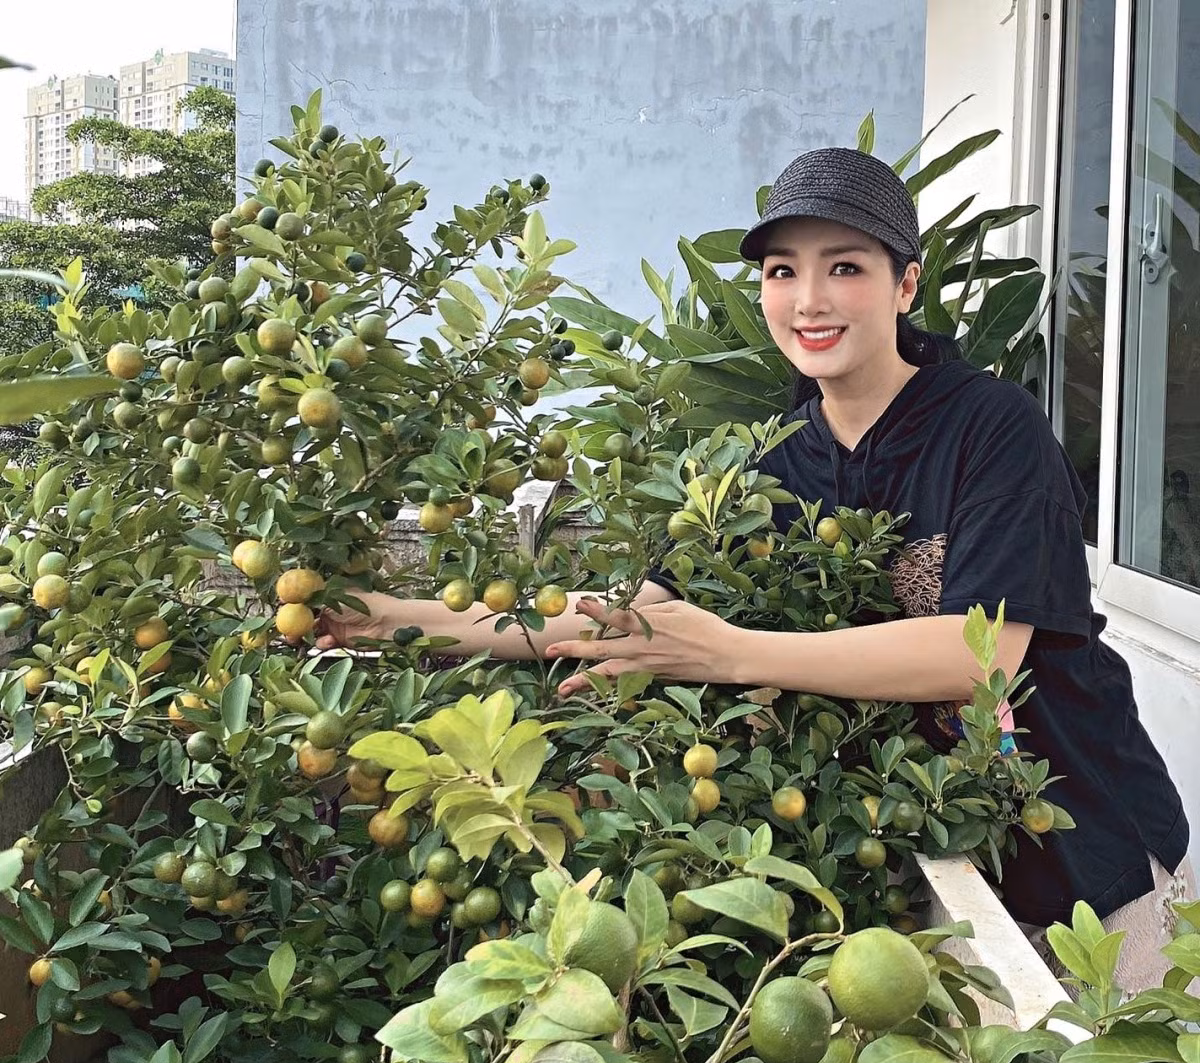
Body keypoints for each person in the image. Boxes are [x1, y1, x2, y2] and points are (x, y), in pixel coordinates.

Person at [317, 146, 1192, 988]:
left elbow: (980, 657)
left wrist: (729, 651)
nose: (809, 299)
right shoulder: (773, 464)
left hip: (1090, 853)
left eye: (844, 266)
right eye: (781, 271)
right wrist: (395, 618)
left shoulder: (991, 428)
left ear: (905, 284)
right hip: (932, 860)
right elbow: (628, 618)